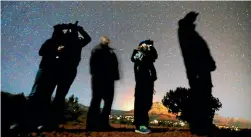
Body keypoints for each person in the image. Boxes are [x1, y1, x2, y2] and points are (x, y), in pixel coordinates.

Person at [17, 22, 91, 132]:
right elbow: (57, 33)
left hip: (63, 71)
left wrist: (73, 28)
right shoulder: (71, 41)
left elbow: (87, 39)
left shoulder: (74, 41)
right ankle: (44, 122)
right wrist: (78, 29)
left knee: (55, 96)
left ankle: (47, 123)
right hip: (61, 70)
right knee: (52, 96)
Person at [178, 11, 217, 136]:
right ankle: (199, 127)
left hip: (200, 69)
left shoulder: (189, 32)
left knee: (203, 96)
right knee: (200, 97)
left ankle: (202, 126)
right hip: (198, 70)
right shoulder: (186, 32)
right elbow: (193, 52)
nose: (195, 20)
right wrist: (198, 68)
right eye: (193, 18)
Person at [86, 36, 120, 131]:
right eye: (105, 39)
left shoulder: (111, 52)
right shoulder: (96, 50)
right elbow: (93, 64)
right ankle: (92, 125)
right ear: (101, 41)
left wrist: (115, 76)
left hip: (109, 79)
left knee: (108, 102)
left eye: (108, 40)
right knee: (96, 100)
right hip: (99, 79)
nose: (107, 41)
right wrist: (96, 74)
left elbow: (115, 64)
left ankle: (104, 124)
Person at [131, 39, 158, 134]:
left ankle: (144, 124)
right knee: (141, 104)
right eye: (147, 45)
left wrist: (150, 47)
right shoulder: (138, 53)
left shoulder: (149, 55)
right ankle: (140, 126)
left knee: (147, 104)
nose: (149, 46)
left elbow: (155, 56)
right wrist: (141, 49)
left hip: (148, 82)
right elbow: (134, 58)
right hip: (142, 82)